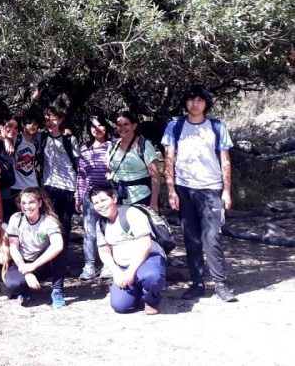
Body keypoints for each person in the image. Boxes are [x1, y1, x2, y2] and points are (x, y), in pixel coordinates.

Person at [162, 84, 237, 302]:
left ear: (206, 103)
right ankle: (197, 283)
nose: (195, 104)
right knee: (191, 238)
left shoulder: (216, 126)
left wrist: (227, 192)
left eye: (200, 100)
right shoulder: (175, 126)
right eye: (191, 99)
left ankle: (220, 284)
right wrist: (171, 190)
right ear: (185, 102)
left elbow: (225, 161)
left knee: (212, 237)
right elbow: (169, 159)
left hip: (211, 189)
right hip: (185, 189)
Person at [90, 184, 166, 314]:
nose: (100, 205)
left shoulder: (131, 213)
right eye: (96, 203)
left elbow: (146, 244)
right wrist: (116, 272)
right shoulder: (101, 224)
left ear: (114, 198)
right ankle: (137, 291)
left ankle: (151, 300)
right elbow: (104, 251)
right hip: (123, 266)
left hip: (148, 259)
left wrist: (131, 271)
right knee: (121, 306)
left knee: (151, 277)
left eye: (103, 200)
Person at [5, 187, 67, 308]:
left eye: (31, 202)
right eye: (23, 203)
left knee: (61, 248)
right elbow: (13, 247)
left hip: (42, 262)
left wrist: (33, 266)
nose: (27, 206)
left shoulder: (49, 221)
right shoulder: (16, 218)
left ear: (39, 203)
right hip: (23, 261)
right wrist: (26, 270)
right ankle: (25, 288)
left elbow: (58, 245)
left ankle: (57, 291)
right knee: (14, 284)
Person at [75, 115, 114, 280]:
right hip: (89, 197)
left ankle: (108, 265)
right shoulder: (84, 149)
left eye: (101, 126)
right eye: (93, 127)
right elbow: (81, 175)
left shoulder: (112, 146)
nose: (97, 130)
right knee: (90, 232)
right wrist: (78, 197)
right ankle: (89, 265)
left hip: (108, 195)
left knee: (110, 231)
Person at [40, 107, 79, 247]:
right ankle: (48, 259)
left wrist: (79, 189)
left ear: (61, 120)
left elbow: (77, 163)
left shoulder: (69, 139)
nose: (50, 123)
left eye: (54, 119)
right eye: (47, 119)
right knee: (49, 222)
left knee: (65, 223)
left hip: (68, 186)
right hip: (49, 186)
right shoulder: (42, 138)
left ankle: (62, 259)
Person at [107, 111, 161, 211]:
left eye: (126, 124)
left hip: (141, 197)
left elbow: (155, 176)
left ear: (134, 126)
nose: (122, 128)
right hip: (118, 198)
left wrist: (153, 203)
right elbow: (109, 170)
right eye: (119, 125)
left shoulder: (144, 145)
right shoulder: (113, 146)